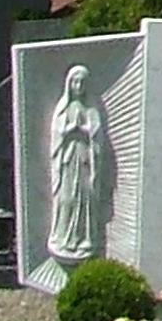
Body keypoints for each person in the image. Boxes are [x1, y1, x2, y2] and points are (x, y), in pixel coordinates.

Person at [48, 65, 106, 261]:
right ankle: (64, 238)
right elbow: (56, 134)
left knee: (85, 200)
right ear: (69, 84)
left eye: (82, 82)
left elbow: (96, 134)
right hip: (67, 161)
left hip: (84, 161)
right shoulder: (64, 108)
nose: (78, 86)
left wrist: (86, 131)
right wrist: (68, 130)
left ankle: (85, 239)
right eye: (75, 81)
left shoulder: (90, 109)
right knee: (67, 200)